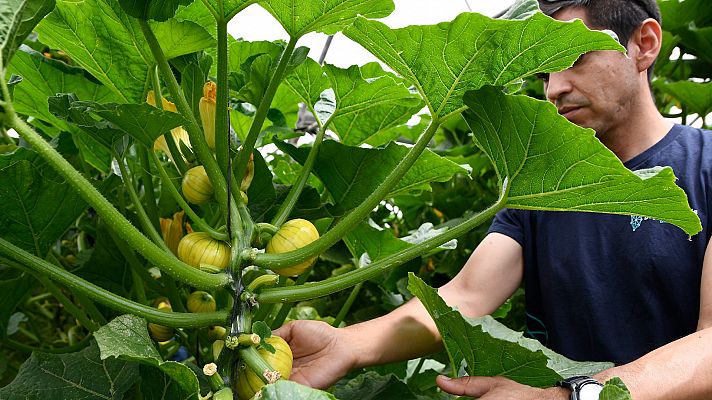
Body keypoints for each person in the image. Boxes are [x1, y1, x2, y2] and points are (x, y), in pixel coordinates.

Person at [275, 1, 712, 398]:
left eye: (574, 60)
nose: (554, 89)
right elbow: (464, 297)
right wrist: (345, 344)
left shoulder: (707, 166)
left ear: (645, 44)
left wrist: (569, 396)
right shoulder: (535, 179)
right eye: (544, 73)